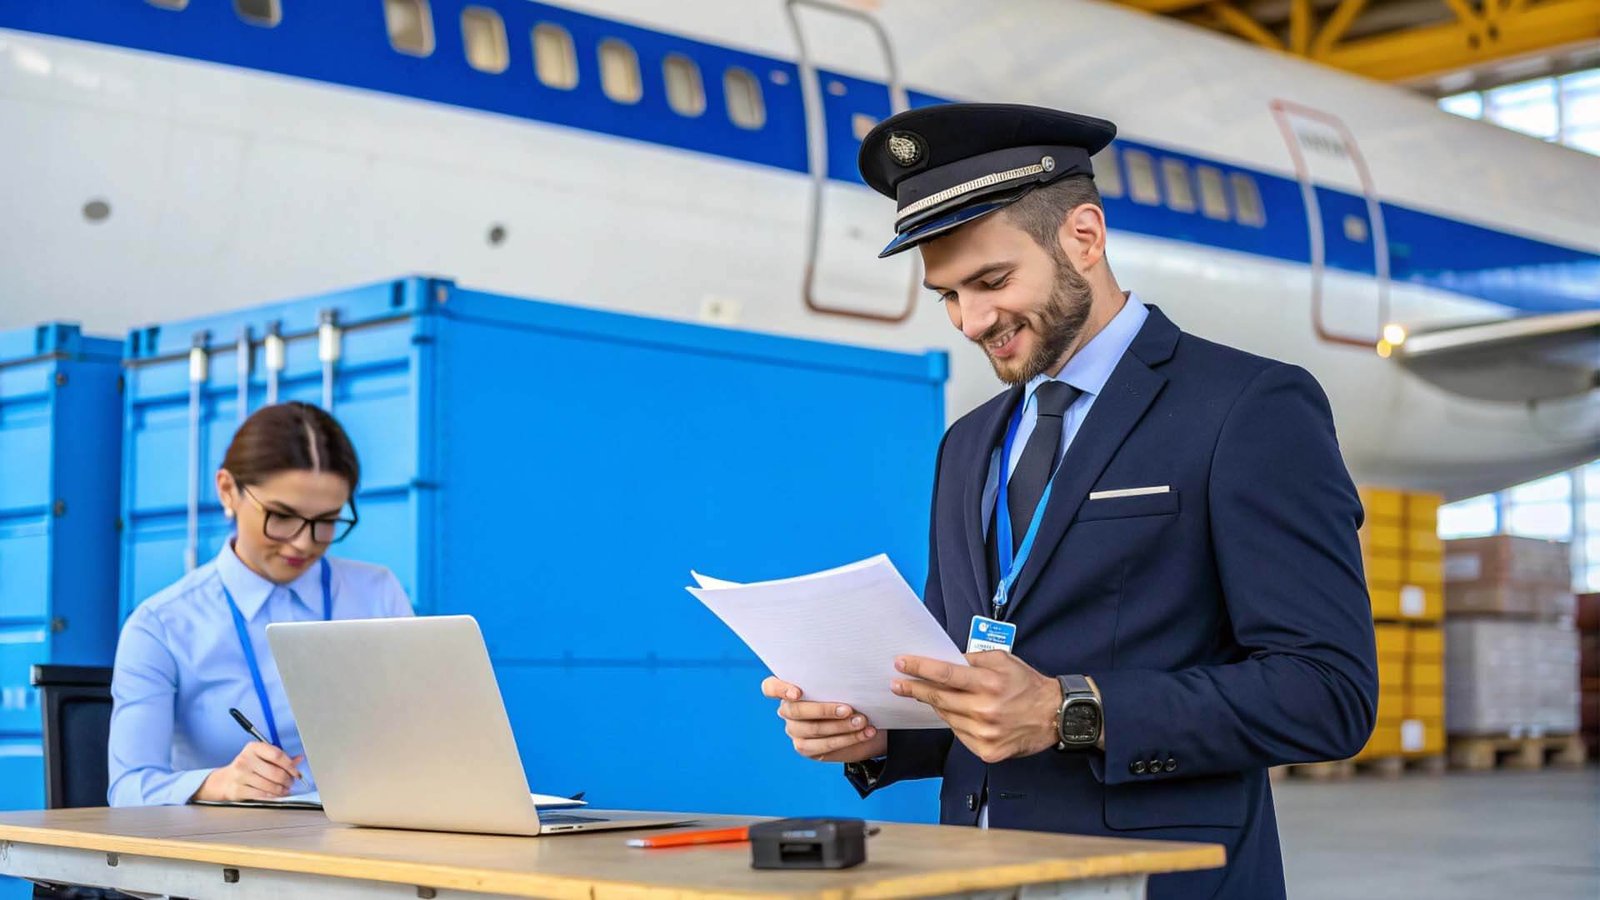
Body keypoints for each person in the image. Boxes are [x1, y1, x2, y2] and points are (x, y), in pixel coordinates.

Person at [762, 103, 1378, 899]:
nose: (971, 320)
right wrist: (877, 734)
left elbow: (1328, 692)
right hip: (973, 876)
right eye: (947, 294)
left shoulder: (1247, 408)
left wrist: (1068, 710)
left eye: (991, 281)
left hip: (1156, 880)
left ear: (1084, 237)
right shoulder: (967, 442)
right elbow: (970, 683)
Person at [109, 402, 412, 806]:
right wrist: (220, 784)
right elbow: (127, 789)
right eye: (282, 516)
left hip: (368, 840)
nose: (304, 542)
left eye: (327, 520)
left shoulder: (377, 592)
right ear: (227, 491)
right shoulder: (160, 626)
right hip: (235, 856)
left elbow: (419, 736)